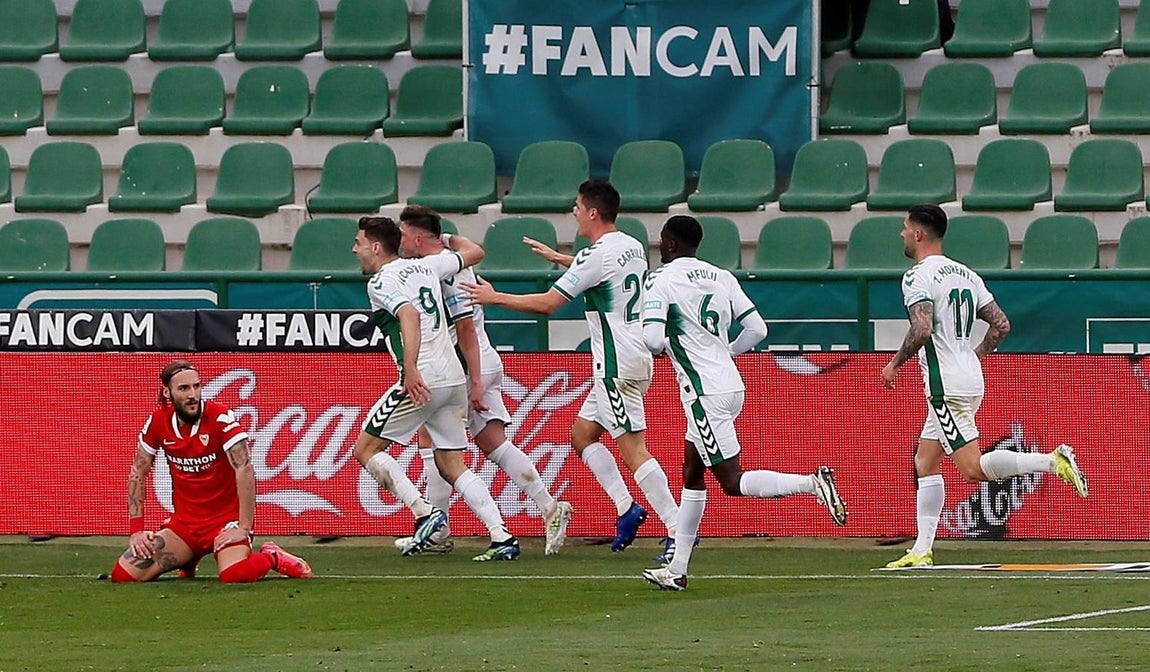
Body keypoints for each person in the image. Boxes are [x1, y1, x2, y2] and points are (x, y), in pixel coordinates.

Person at [462, 179, 680, 553]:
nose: (573, 212)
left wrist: (494, 297)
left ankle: (678, 530)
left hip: (616, 364)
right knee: (582, 434)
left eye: (577, 206)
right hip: (634, 355)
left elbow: (549, 304)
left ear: (593, 212)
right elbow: (605, 272)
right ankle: (626, 508)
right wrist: (564, 260)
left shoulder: (595, 256)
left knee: (634, 450)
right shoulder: (632, 246)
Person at [638, 216, 848, 591]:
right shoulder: (721, 276)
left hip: (704, 392)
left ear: (669, 244)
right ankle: (677, 569)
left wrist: (667, 341)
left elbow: (653, 339)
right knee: (692, 472)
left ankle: (812, 483)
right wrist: (727, 351)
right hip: (730, 384)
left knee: (731, 481)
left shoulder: (660, 279)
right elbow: (758, 329)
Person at [881, 204, 1088, 569]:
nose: (901, 234)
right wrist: (973, 355)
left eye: (905, 227)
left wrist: (895, 363)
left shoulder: (917, 276)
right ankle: (921, 550)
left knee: (972, 469)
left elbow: (922, 328)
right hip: (970, 377)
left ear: (918, 233)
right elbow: (1002, 325)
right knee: (925, 461)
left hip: (945, 385)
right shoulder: (966, 274)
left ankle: (1051, 460)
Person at [393, 205, 575, 556]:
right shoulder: (454, 259)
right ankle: (550, 507)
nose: (399, 241)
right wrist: (445, 236)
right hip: (483, 360)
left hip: (466, 365)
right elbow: (469, 248)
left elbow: (464, 328)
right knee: (494, 443)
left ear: (417, 238)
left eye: (403, 234)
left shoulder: (444, 271)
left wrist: (474, 381)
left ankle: (438, 529)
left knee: (433, 442)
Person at [352, 215, 522, 562]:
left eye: (358, 243)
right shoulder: (428, 265)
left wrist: (411, 368)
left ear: (376, 247)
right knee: (451, 464)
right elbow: (475, 252)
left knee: (365, 449)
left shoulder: (381, 281)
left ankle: (424, 513)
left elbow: (409, 315)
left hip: (423, 378)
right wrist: (447, 239)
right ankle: (501, 536)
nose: (355, 250)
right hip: (454, 377)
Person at [111, 360, 312, 583]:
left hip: (225, 522)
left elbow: (244, 469)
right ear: (167, 392)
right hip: (185, 526)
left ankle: (272, 556)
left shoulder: (220, 417)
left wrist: (244, 527)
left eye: (196, 386)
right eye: (184, 388)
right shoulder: (158, 421)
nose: (192, 395)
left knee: (234, 575)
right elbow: (138, 472)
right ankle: (188, 557)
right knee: (124, 575)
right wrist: (137, 531)